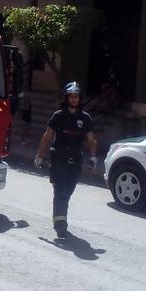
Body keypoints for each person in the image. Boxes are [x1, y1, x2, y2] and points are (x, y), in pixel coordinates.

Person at [34, 82, 97, 238]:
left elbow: (91, 140)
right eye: (71, 96)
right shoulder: (58, 116)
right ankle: (60, 224)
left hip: (76, 158)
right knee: (61, 190)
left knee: (68, 191)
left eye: (76, 97)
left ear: (79, 98)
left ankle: (60, 216)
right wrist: (40, 156)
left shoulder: (85, 118)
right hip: (59, 157)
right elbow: (47, 137)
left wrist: (93, 157)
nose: (74, 99)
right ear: (66, 97)